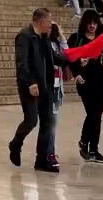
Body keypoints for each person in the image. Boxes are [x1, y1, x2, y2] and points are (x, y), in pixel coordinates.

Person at [8, 7, 65, 172]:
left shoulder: (44, 37)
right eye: (49, 21)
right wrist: (31, 82)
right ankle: (15, 143)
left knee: (47, 122)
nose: (51, 25)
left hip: (46, 85)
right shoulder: (25, 36)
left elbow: (52, 57)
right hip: (30, 86)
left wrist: (73, 62)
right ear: (41, 21)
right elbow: (22, 63)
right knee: (31, 120)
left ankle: (41, 161)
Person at [68, 9, 103, 164]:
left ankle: (92, 148)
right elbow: (69, 58)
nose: (92, 26)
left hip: (98, 81)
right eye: (90, 23)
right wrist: (77, 74)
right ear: (85, 23)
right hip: (84, 81)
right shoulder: (76, 39)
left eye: (95, 23)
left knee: (97, 115)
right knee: (93, 114)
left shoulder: (101, 41)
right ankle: (85, 144)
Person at [45, 22, 68, 169]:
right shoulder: (43, 44)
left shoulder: (56, 43)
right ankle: (49, 153)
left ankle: (50, 151)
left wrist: (62, 36)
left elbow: (67, 55)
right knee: (49, 123)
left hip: (56, 87)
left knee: (53, 121)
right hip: (46, 87)